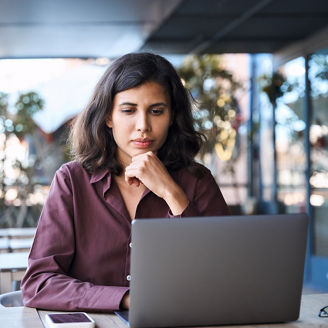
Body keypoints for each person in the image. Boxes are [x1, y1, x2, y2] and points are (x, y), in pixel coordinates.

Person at [21, 53, 229, 312]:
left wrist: (171, 192)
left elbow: (223, 276)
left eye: (156, 111)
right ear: (108, 117)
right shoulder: (72, 181)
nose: (143, 126)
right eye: (128, 110)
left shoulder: (198, 181)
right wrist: (127, 299)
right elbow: (39, 283)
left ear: (172, 116)